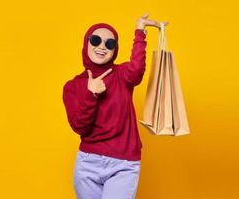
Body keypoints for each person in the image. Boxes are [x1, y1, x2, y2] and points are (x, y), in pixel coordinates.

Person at [62, 14, 168, 199]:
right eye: (95, 40)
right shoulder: (72, 86)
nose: (102, 46)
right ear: (86, 44)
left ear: (115, 49)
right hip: (88, 163)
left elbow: (137, 69)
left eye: (109, 44)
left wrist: (140, 31)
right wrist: (91, 94)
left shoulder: (122, 74)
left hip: (124, 163)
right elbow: (79, 126)